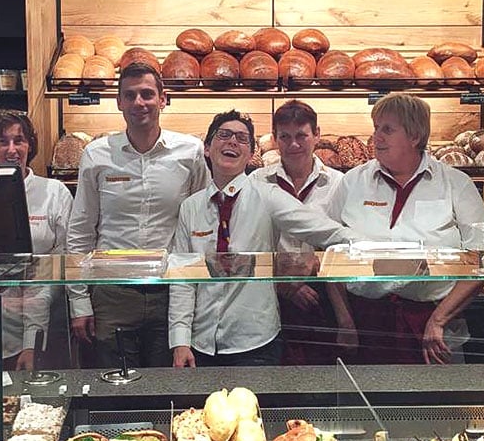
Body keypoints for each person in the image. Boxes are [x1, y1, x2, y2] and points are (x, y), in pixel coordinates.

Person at [169, 110, 360, 368]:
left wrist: (382, 250)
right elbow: (182, 279)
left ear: (250, 155)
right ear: (207, 148)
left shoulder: (267, 196)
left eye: (242, 138)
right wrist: (180, 341)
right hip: (200, 342)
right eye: (224, 135)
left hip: (256, 342)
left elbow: (329, 232)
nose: (232, 142)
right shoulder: (190, 208)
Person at [325, 93, 484, 365]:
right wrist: (344, 320)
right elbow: (329, 253)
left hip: (432, 326)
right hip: (365, 323)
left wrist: (439, 320)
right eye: (376, 128)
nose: (376, 137)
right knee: (364, 403)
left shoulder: (455, 184)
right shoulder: (352, 182)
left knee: (435, 405)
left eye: (387, 129)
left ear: (415, 136)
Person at [66, 63, 209, 369]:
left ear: (163, 98)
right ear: (118, 102)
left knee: (165, 386)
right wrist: (78, 301)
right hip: (112, 293)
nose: (138, 103)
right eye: (129, 95)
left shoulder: (191, 152)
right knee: (115, 387)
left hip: (170, 293)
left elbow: (202, 222)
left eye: (147, 94)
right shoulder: (96, 154)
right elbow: (80, 231)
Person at [0, 109, 73, 371]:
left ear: (30, 144)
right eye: (3, 141)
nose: (12, 149)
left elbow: (62, 260)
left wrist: (33, 331)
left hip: (46, 316)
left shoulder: (54, 192)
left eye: (19, 140)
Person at [249, 100, 356, 364]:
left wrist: (345, 319)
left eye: (301, 136)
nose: (293, 144)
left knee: (322, 382)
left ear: (317, 135)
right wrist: (286, 285)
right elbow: (252, 243)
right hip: (269, 295)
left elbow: (342, 248)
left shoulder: (339, 184)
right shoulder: (257, 182)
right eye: (285, 137)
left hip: (325, 295)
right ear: (275, 139)